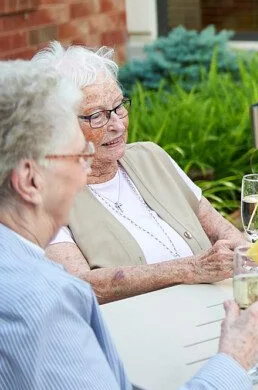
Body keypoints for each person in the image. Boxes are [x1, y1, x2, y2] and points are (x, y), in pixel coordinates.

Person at [0, 60, 258, 390]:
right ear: (30, 181)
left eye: (118, 108)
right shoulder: (42, 303)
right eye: (76, 156)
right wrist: (234, 360)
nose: (86, 171)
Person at [34, 43, 245, 303]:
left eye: (119, 106)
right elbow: (80, 285)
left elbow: (224, 232)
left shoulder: (151, 156)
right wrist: (189, 269)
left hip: (216, 311)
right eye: (97, 116)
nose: (118, 124)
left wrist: (245, 259)